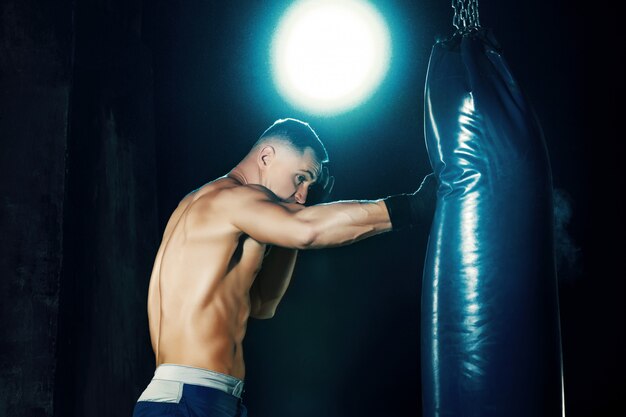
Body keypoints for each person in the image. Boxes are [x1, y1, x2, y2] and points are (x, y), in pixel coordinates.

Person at [132, 118, 437, 417]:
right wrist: (411, 207)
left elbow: (264, 304)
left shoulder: (225, 213)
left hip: (210, 398)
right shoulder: (229, 199)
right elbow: (306, 232)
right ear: (266, 157)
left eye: (309, 185)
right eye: (300, 177)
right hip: (187, 399)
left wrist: (292, 218)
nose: (302, 194)